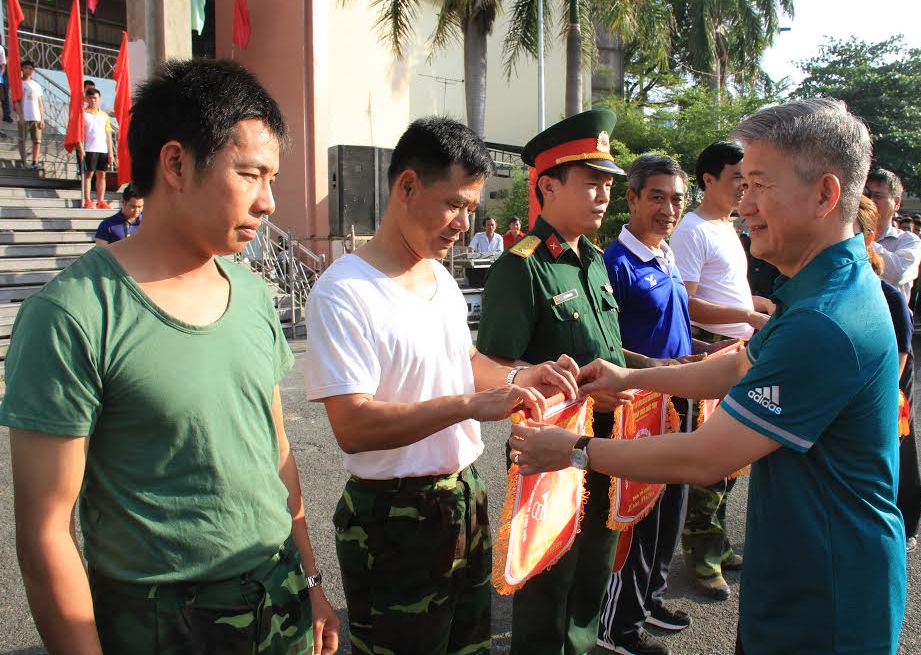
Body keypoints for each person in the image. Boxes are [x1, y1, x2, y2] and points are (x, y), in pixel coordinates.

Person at [510, 98, 907, 655]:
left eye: (760, 185)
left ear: (825, 193)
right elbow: (738, 366)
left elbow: (705, 457)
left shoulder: (824, 321)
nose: (743, 205)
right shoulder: (816, 292)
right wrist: (633, 377)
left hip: (826, 594)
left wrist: (572, 450)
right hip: (801, 570)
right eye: (742, 185)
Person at [0, 59, 340, 655]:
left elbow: (277, 452)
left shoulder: (254, 293)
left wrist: (311, 584)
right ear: (177, 164)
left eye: (273, 178)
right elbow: (46, 533)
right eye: (251, 174)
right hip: (162, 624)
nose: (268, 202)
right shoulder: (74, 315)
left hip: (277, 599)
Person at [304, 116, 578, 655]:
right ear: (407, 186)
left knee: (469, 645)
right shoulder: (345, 292)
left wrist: (523, 378)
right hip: (393, 519)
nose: (462, 222)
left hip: (463, 499)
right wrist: (471, 405)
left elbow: (467, 360)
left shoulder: (442, 278)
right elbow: (353, 426)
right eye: (453, 203)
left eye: (471, 209)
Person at [477, 108, 629, 655]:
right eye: (591, 182)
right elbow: (494, 368)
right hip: (552, 454)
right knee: (547, 579)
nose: (604, 193)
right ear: (547, 185)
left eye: (609, 183)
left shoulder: (593, 260)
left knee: (594, 570)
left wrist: (655, 370)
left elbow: (604, 349)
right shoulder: (522, 267)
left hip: (609, 444)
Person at [597, 153, 695, 655]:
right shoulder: (615, 264)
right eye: (656, 196)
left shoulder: (666, 255)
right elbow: (606, 348)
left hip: (679, 397)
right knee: (636, 515)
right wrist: (659, 371)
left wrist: (701, 358)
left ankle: (648, 599)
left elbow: (674, 327)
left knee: (670, 508)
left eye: (677, 198)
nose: (668, 208)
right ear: (631, 199)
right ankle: (617, 626)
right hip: (639, 407)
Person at [668, 141, 770, 601]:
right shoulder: (691, 230)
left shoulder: (727, 227)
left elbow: (729, 289)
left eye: (748, 181)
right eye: (736, 180)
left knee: (731, 464)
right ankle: (702, 555)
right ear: (708, 180)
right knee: (711, 461)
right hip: (714, 358)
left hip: (741, 353)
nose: (744, 190)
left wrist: (756, 306)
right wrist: (746, 316)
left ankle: (719, 542)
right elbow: (686, 300)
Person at [858, 197, 921, 553]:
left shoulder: (888, 295)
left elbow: (897, 361)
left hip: (881, 395)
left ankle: (898, 526)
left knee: (894, 455)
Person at [867, 168, 921, 301]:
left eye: (878, 196)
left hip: (891, 319)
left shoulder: (909, 240)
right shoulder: (845, 236)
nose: (870, 201)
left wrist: (862, 241)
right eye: (867, 195)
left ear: (897, 203)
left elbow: (898, 274)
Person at [80, 87, 116, 208]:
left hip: (102, 149)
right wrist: (80, 148)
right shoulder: (83, 113)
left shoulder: (104, 115)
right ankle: (88, 200)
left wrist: (110, 152)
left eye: (95, 98)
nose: (93, 100)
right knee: (89, 175)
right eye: (90, 98)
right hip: (89, 148)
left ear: (99, 99)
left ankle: (101, 200)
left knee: (102, 175)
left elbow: (108, 134)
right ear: (86, 98)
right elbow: (79, 132)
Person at [16, 60, 44, 169]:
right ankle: (24, 162)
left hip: (35, 116)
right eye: (26, 68)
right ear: (22, 69)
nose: (28, 70)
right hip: (24, 116)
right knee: (22, 139)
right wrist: (21, 116)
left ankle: (35, 161)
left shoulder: (37, 85)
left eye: (30, 69)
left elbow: (40, 103)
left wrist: (42, 118)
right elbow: (16, 101)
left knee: (37, 141)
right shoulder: (19, 83)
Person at [0, 43, 12, 123]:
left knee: (5, 94)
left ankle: (7, 115)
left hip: (3, 74)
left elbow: (5, 62)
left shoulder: (2, 48)